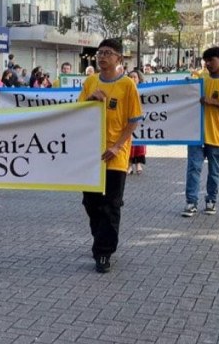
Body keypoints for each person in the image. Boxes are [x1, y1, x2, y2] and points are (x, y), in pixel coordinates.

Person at [78, 39, 142, 274]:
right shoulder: (90, 82)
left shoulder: (127, 86)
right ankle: (100, 239)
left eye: (108, 53)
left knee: (111, 204)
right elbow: (77, 112)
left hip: (115, 155)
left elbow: (133, 121)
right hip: (91, 154)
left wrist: (116, 146)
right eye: (99, 53)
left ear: (119, 59)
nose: (102, 57)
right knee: (91, 203)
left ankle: (104, 252)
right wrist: (89, 101)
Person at [182, 46, 219, 219]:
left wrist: (211, 102)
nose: (208, 64)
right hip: (196, 133)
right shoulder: (201, 78)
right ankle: (191, 202)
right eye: (206, 61)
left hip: (217, 134)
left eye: (211, 61)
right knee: (193, 168)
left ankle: (211, 201)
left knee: (214, 171)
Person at [126, 70, 146, 175]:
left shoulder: (145, 90)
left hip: (141, 122)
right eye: (131, 77)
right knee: (130, 143)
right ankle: (129, 165)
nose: (133, 79)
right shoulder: (126, 90)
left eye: (135, 77)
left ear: (139, 79)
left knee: (140, 144)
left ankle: (139, 164)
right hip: (130, 121)